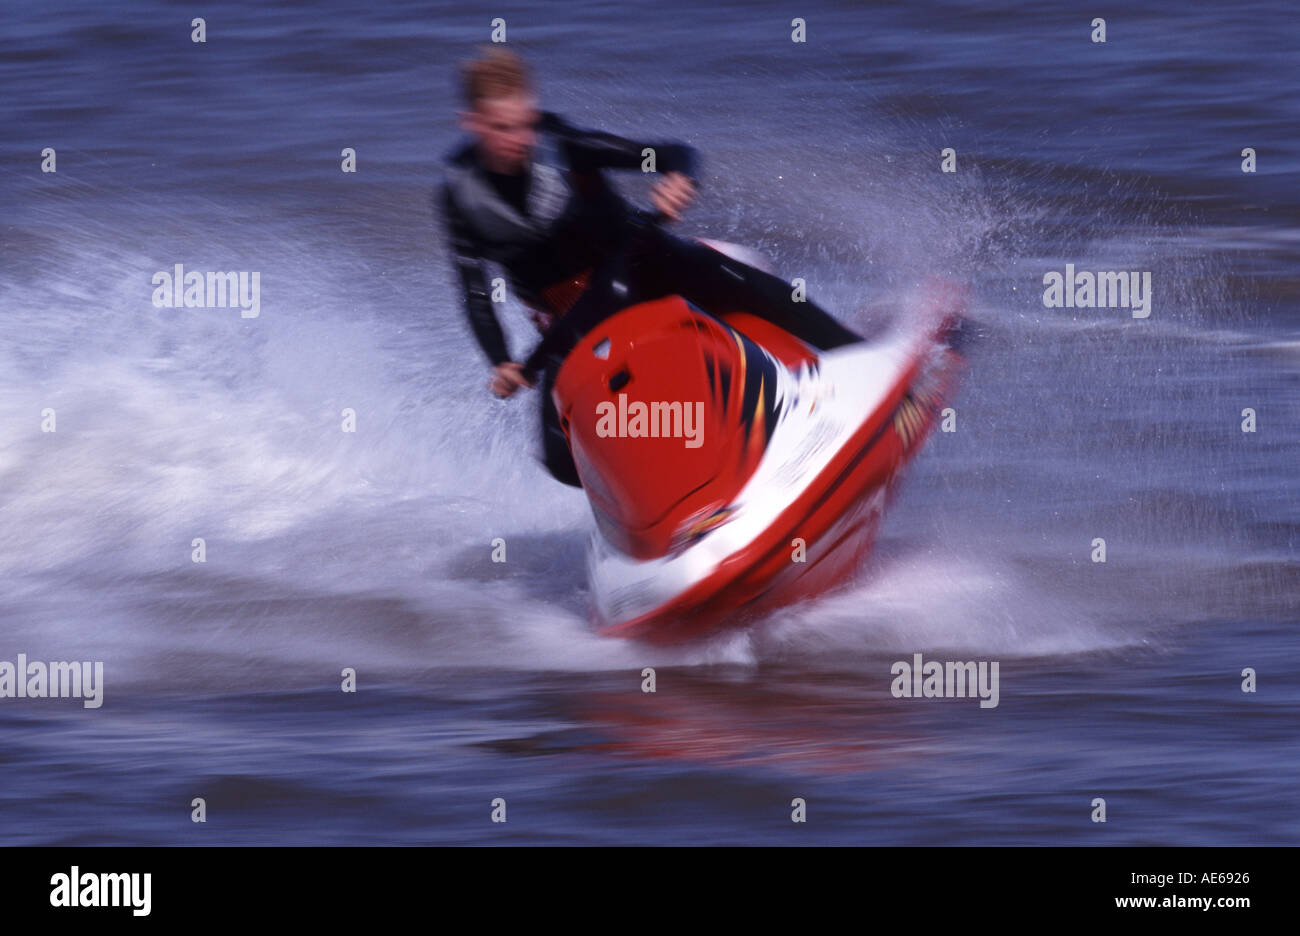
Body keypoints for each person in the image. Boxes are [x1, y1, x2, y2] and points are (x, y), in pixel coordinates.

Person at [438, 47, 862, 487]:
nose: (521, 140)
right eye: (502, 128)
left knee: (747, 287)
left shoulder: (566, 148)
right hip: (574, 320)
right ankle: (662, 486)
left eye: (526, 124)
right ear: (470, 122)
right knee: (562, 459)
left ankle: (859, 358)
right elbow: (474, 290)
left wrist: (679, 177)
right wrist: (501, 360)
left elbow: (672, 154)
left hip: (646, 266)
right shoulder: (460, 199)